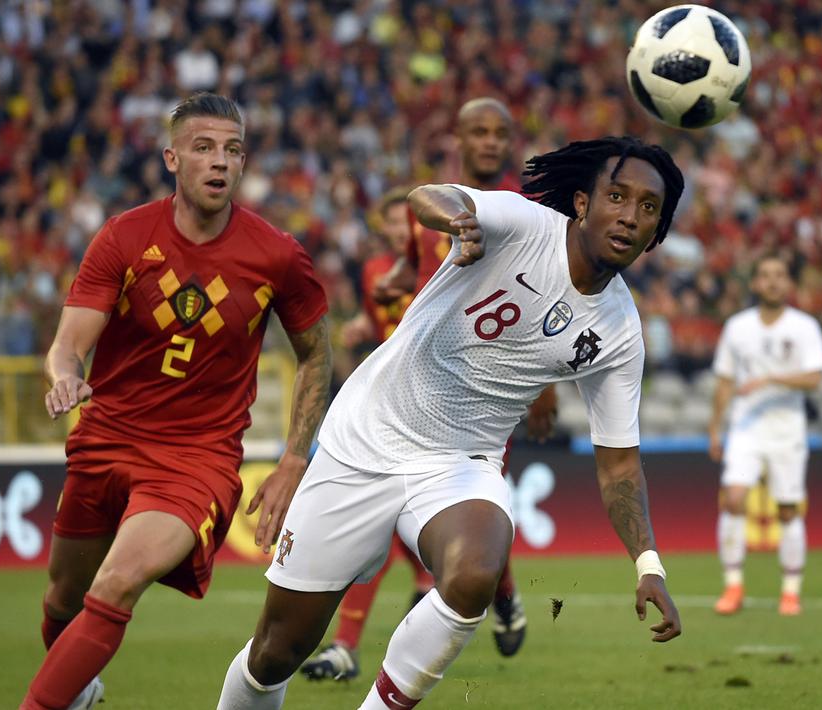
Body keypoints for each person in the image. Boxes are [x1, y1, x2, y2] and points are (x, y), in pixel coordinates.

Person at [217, 136, 685, 710]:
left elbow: (618, 467)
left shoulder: (618, 333)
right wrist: (460, 220)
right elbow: (425, 195)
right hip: (365, 438)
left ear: (657, 232)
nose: (629, 216)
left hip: (460, 464)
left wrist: (648, 563)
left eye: (647, 209)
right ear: (583, 203)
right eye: (618, 196)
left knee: (476, 572)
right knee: (276, 651)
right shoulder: (522, 223)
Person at [20, 93, 332, 710]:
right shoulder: (125, 237)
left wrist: (295, 458)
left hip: (196, 459)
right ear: (172, 158)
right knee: (61, 600)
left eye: (233, 150)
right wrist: (64, 375)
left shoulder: (276, 255)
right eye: (204, 147)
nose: (220, 161)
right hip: (106, 437)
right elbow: (66, 347)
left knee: (116, 583)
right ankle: (79, 690)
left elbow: (317, 355)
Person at [301, 98, 555, 682]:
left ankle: (505, 591)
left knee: (478, 509)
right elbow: (414, 266)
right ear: (458, 141)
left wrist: (543, 384)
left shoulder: (529, 212)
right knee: (398, 516)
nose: (490, 143)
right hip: (413, 391)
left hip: (485, 395)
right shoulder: (437, 205)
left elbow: (545, 299)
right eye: (478, 133)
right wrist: (390, 284)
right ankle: (349, 645)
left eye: (500, 133)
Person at [301, 187, 436, 683]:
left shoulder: (446, 263)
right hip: (392, 411)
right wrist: (362, 326)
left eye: (409, 223)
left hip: (443, 414)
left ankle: (447, 589)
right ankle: (345, 646)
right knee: (380, 525)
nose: (403, 232)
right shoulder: (377, 271)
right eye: (395, 226)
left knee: (412, 525)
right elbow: (386, 329)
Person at [707, 254, 822, 617]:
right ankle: (733, 585)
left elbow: (815, 378)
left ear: (787, 283)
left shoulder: (804, 326)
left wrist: (772, 379)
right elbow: (725, 380)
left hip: (787, 427)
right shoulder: (737, 327)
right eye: (765, 275)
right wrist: (715, 427)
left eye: (779, 275)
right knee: (733, 497)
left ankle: (790, 590)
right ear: (756, 283)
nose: (773, 281)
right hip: (746, 426)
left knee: (788, 509)